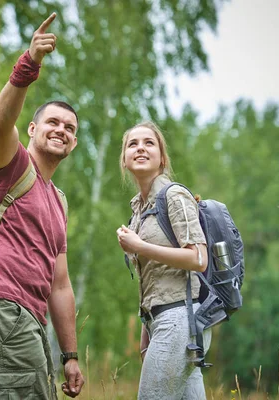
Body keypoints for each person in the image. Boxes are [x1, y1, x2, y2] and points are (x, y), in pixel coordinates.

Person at [0, 13, 84, 400]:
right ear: (32, 129)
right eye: (53, 122)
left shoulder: (58, 201)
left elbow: (60, 285)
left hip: (24, 315)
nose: (62, 130)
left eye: (71, 128)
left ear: (74, 144)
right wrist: (29, 64)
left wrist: (71, 355)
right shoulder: (11, 165)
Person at [116, 121, 212, 400]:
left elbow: (198, 258)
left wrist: (140, 246)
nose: (140, 148)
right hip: (161, 321)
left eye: (149, 143)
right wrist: (147, 327)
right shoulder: (139, 208)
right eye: (132, 144)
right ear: (124, 159)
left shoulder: (174, 195)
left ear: (162, 158)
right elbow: (155, 278)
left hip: (180, 319)